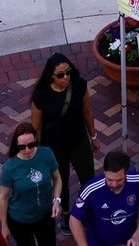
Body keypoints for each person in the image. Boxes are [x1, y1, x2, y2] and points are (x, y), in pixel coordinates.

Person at [30, 53, 97, 213]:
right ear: (51, 76)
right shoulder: (41, 95)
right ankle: (66, 213)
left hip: (78, 140)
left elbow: (87, 111)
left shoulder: (79, 85)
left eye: (69, 72)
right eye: (61, 75)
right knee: (61, 181)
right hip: (54, 147)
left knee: (88, 178)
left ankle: (88, 209)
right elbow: (36, 127)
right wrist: (37, 153)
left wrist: (93, 136)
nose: (66, 77)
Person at [70, 148, 139, 246]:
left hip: (128, 241)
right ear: (104, 172)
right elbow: (74, 219)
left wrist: (137, 236)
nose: (114, 184)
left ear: (126, 173)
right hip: (98, 243)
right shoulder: (91, 189)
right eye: (109, 179)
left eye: (119, 180)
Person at [0, 120, 63, 246]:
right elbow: (4, 196)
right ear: (16, 145)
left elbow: (57, 178)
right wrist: (4, 226)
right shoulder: (9, 167)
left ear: (36, 140)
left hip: (45, 215)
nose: (27, 149)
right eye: (22, 147)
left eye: (31, 145)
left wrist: (56, 200)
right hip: (20, 220)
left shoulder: (46, 153)